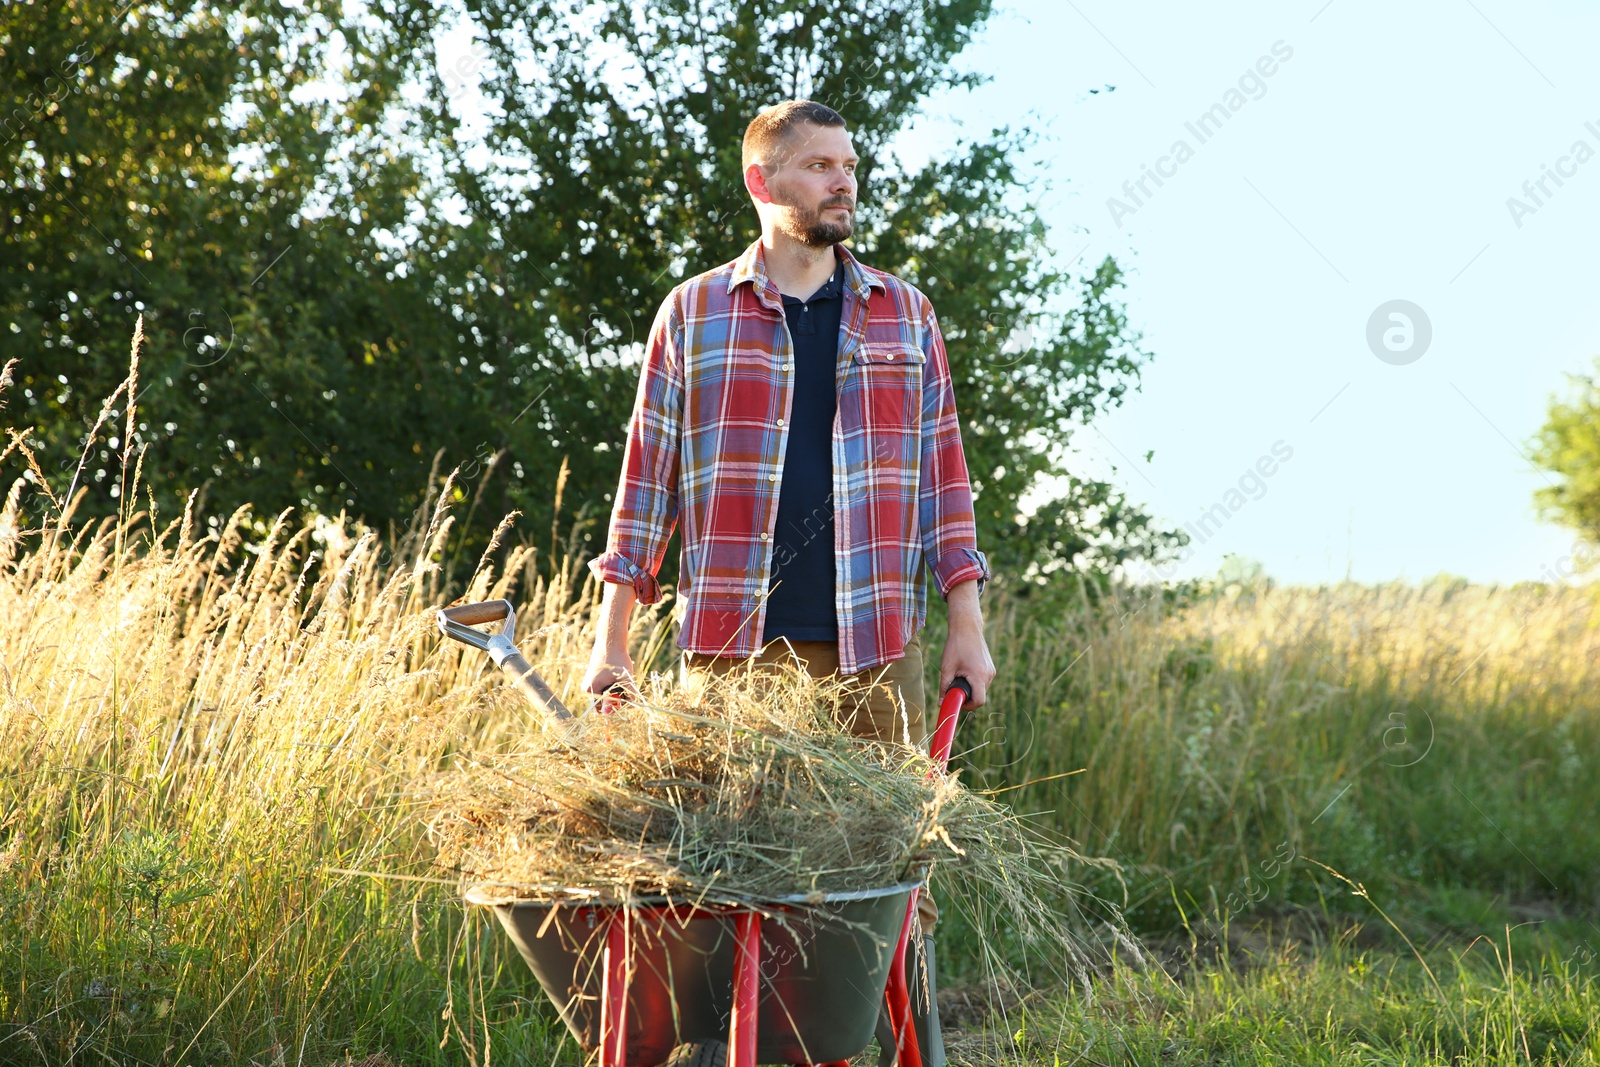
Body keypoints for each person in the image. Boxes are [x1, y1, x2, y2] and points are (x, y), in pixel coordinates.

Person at [582, 98, 995, 1067]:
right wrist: (611, 641)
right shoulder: (692, 313)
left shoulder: (904, 310)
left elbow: (944, 472)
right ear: (762, 185)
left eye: (849, 164)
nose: (843, 181)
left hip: (872, 646)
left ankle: (909, 1053)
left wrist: (964, 619)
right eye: (817, 166)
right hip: (732, 653)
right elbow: (645, 485)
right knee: (725, 874)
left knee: (892, 879)